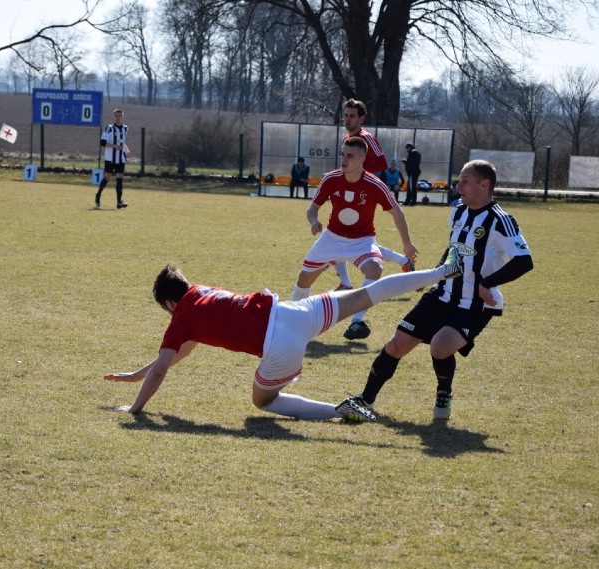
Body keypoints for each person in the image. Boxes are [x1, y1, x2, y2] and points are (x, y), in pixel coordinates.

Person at [104, 251, 463, 421]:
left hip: (278, 346)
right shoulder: (200, 292)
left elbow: (165, 366)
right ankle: (443, 270)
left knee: (262, 403)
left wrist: (135, 408)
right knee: (370, 294)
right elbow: (181, 351)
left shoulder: (182, 314)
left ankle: (338, 413)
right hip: (294, 313)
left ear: (169, 302)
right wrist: (138, 373)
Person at [337, 159, 534, 422]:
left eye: (465, 180)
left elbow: (524, 260)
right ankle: (364, 401)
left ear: (484, 185)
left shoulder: (501, 220)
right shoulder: (458, 211)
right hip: (442, 294)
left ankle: (444, 392)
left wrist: (486, 284)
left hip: (474, 305)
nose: (458, 185)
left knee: (440, 347)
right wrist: (432, 276)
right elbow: (453, 249)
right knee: (396, 344)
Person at [291, 136, 419, 341]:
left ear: (361, 159)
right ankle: (294, 319)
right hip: (332, 238)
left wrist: (407, 243)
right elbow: (312, 207)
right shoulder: (331, 178)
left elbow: (397, 213)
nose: (344, 159)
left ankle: (357, 322)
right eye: (342, 154)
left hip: (362, 240)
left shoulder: (375, 184)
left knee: (375, 269)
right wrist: (314, 221)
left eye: (349, 155)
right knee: (304, 279)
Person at [333, 99, 411, 315]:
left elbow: (382, 163)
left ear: (361, 119)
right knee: (338, 235)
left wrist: (360, 172)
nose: (347, 118)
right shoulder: (348, 138)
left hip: (363, 195)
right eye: (346, 114)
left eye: (352, 115)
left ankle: (401, 261)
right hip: (347, 192)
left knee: (349, 238)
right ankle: (347, 283)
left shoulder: (366, 138)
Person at [95, 109, 129, 209]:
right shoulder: (109, 128)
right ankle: (98, 195)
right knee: (108, 178)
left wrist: (126, 149)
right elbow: (102, 143)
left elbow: (121, 141)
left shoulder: (125, 128)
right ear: (113, 117)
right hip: (110, 158)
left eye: (120, 116)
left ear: (123, 117)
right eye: (116, 116)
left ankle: (119, 202)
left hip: (120, 158)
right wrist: (115, 146)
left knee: (120, 178)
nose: (118, 118)